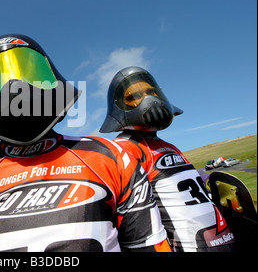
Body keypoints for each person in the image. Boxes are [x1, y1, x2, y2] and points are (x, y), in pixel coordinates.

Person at [0, 34, 170, 252]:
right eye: (1, 80)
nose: (16, 87)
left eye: (30, 75)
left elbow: (147, 243)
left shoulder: (110, 156)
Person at [99, 66, 236, 252]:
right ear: (119, 106)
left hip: (225, 239)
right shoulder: (124, 149)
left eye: (151, 92)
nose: (148, 99)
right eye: (134, 96)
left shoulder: (169, 146)